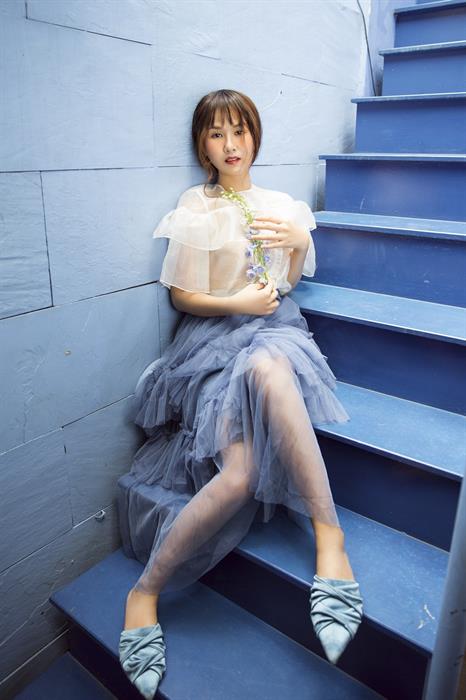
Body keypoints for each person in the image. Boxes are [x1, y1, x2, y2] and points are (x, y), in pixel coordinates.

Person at [118, 89, 363, 699]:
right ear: (202, 145)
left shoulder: (281, 205)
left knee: (271, 367)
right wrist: (237, 303)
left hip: (273, 333)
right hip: (211, 342)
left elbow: (290, 281)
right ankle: (143, 594)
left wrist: (298, 244)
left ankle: (329, 536)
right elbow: (182, 295)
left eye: (240, 131)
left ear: (255, 136)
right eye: (216, 133)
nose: (230, 145)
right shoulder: (194, 205)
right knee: (238, 476)